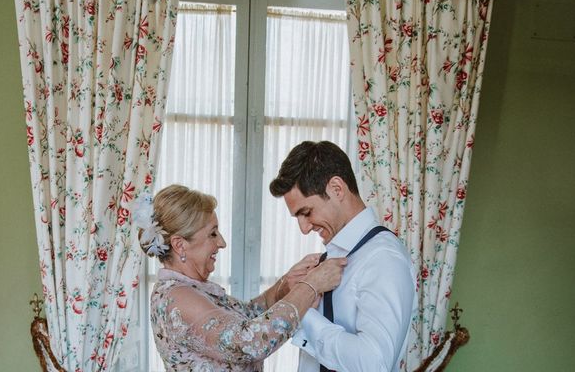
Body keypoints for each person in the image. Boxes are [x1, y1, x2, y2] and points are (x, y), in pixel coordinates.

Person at [135, 184, 347, 372]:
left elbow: (248, 315)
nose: (222, 243)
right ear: (180, 244)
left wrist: (285, 284)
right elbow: (250, 342)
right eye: (212, 234)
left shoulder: (192, 288)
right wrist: (310, 286)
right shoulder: (177, 297)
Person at [269, 141, 415, 372]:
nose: (304, 229)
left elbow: (372, 363)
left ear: (337, 189)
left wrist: (303, 310)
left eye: (306, 213)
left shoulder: (383, 258)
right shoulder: (328, 260)